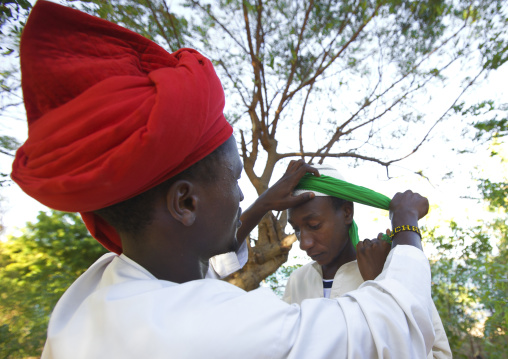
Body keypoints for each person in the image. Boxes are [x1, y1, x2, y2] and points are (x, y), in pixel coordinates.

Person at [13, 1, 436, 358]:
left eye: (314, 224)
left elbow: (205, 278)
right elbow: (394, 324)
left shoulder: (96, 296)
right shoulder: (214, 328)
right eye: (234, 179)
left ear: (347, 214)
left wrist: (262, 205)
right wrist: (405, 225)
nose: (239, 193)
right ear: (186, 203)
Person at [280, 164, 452, 359]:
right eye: (297, 229)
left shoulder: (392, 272)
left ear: (347, 212)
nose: (304, 243)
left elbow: (437, 354)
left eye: (314, 225)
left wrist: (380, 282)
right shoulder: (298, 281)